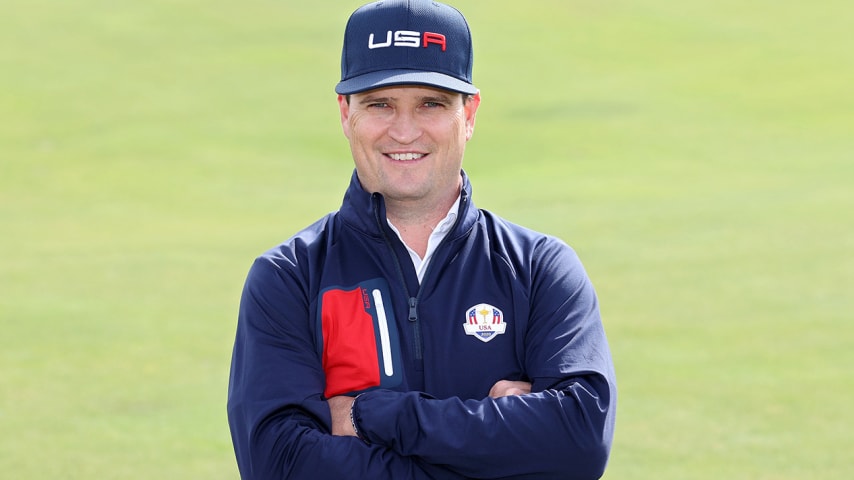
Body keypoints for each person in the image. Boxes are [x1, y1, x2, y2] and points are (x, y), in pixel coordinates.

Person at [227, 0, 617, 478]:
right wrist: (496, 449)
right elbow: (280, 464)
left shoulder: (539, 267)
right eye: (380, 104)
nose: (405, 130)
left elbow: (578, 444)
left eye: (431, 103)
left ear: (469, 114)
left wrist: (372, 416)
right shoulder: (290, 277)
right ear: (346, 113)